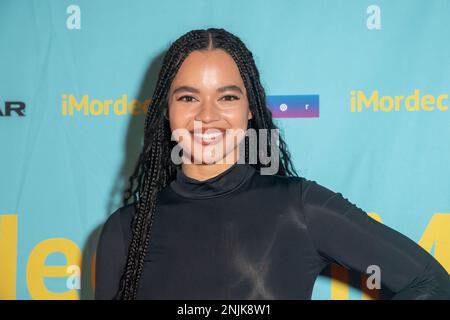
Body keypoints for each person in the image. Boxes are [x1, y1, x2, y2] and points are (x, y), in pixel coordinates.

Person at [95, 28, 450, 300]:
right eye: (188, 97)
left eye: (227, 97)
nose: (206, 115)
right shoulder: (125, 231)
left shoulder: (299, 207)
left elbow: (432, 283)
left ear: (250, 109)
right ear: (166, 109)